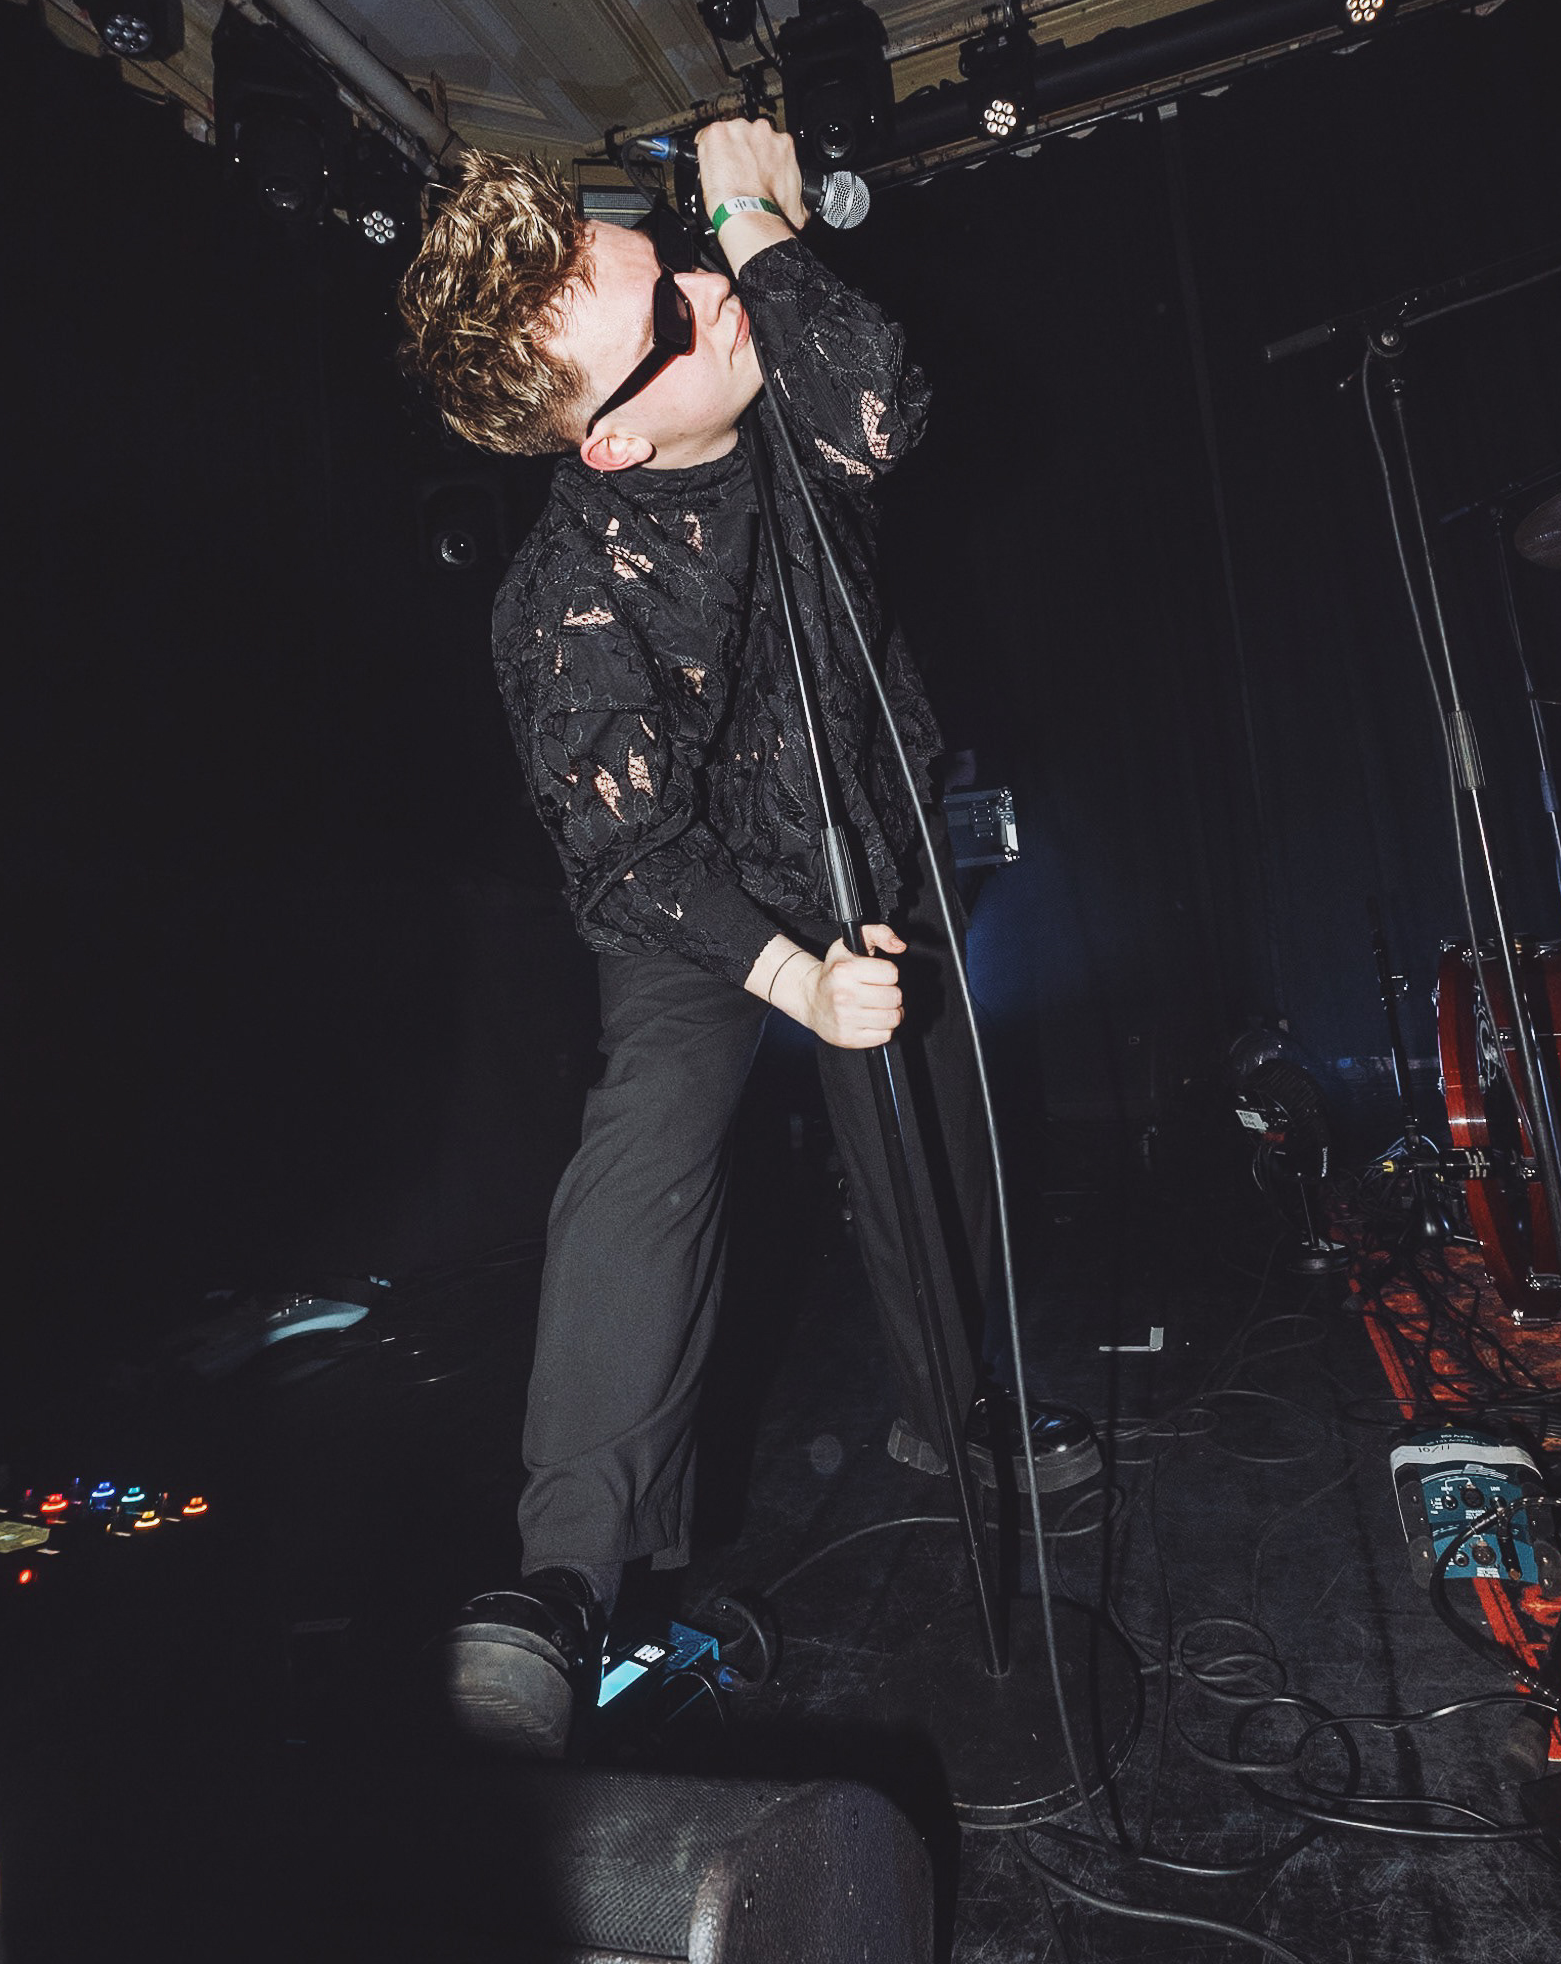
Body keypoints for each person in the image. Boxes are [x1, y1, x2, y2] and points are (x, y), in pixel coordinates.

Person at [396, 119, 1096, 1758]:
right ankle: (565, 1573)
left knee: (915, 1130)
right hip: (695, 895)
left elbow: (881, 403)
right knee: (649, 1133)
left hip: (866, 831)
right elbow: (628, 847)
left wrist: (757, 220)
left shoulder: (786, 402)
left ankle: (951, 1422)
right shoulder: (556, 597)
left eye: (686, 265)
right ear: (611, 442)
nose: (717, 294)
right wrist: (786, 978)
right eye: (680, 308)